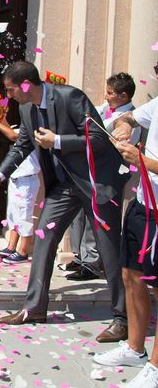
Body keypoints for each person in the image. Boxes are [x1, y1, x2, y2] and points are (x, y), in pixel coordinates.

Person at [0, 61, 128, 343]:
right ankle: (34, 308)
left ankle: (122, 319)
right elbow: (23, 144)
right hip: (63, 186)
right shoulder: (26, 109)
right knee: (45, 237)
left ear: (26, 84)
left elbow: (99, 138)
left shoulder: (69, 96)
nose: (9, 95)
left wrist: (58, 140)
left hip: (97, 182)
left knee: (107, 249)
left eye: (11, 89)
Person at [93, 71, 158, 388]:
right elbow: (133, 115)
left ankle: (157, 369)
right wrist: (124, 124)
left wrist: (143, 161)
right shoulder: (157, 104)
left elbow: (147, 160)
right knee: (130, 274)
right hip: (143, 202)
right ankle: (135, 348)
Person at [64, 73, 140, 282]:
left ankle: (93, 262)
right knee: (80, 214)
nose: (105, 97)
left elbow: (115, 144)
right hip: (86, 169)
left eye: (110, 93)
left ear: (123, 96)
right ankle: (80, 256)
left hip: (106, 174)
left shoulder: (132, 119)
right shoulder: (105, 109)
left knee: (96, 217)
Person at [0, 109, 40, 264]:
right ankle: (11, 247)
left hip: (27, 179)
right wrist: (1, 117)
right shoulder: (24, 128)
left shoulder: (34, 129)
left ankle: (22, 252)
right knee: (13, 215)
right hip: (16, 178)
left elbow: (13, 136)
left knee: (24, 217)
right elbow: (11, 131)